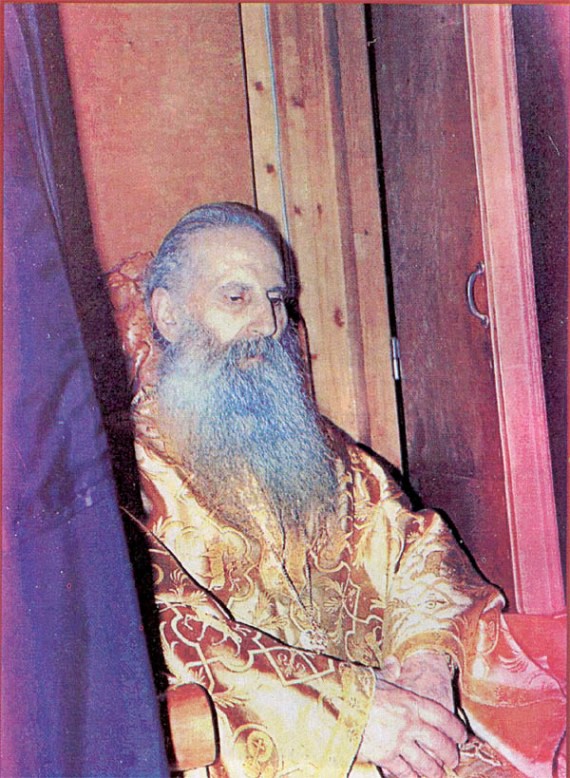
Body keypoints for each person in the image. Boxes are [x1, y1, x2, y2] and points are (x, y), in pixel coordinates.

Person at [119, 202, 564, 777]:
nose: (267, 325)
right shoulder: (125, 480)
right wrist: (351, 714)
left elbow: (413, 545)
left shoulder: (318, 445)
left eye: (276, 299)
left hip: (408, 730)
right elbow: (172, 635)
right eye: (237, 298)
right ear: (169, 315)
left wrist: (428, 659)